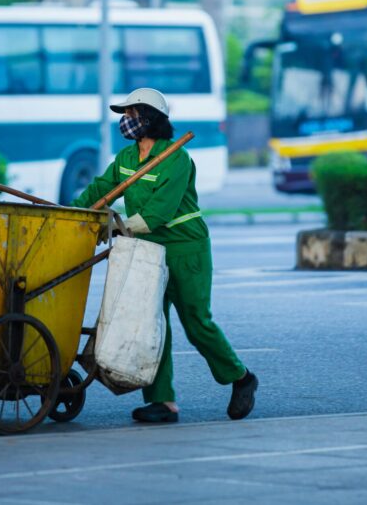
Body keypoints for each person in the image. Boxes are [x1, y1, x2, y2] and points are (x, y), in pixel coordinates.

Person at [72, 87, 258, 423]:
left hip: (186, 249)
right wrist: (72, 214)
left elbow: (159, 212)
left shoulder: (176, 158)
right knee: (152, 324)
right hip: (147, 249)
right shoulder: (127, 159)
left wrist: (117, 227)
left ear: (151, 119)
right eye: (125, 116)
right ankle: (162, 401)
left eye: (132, 115)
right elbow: (100, 189)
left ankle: (241, 378)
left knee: (197, 322)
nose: (126, 121)